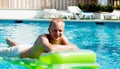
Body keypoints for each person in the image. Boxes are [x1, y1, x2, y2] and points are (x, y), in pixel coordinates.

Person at [0, 18, 79, 59]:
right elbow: (51, 49)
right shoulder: (42, 38)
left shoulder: (62, 38)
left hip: (29, 47)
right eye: (54, 30)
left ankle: (11, 42)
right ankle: (11, 44)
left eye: (60, 31)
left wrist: (72, 47)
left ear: (63, 31)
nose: (57, 33)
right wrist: (71, 46)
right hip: (18, 53)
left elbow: (74, 49)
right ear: (49, 30)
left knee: (22, 45)